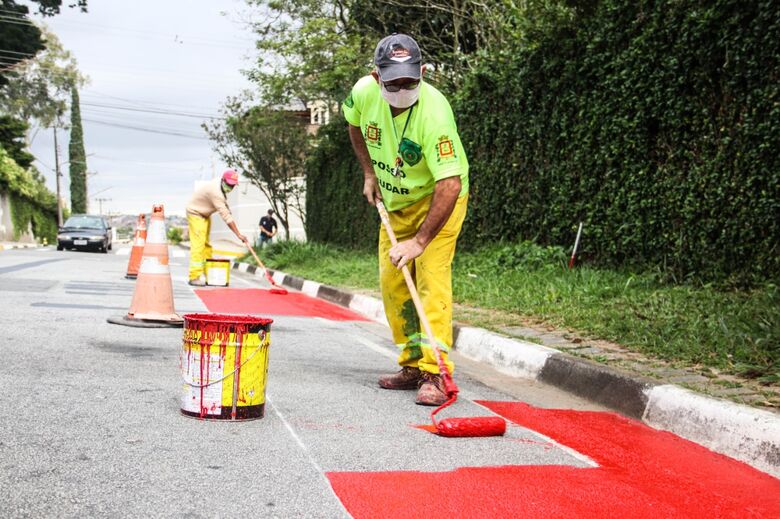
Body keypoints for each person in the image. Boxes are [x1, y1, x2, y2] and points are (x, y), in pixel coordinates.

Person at [343, 34, 469, 406]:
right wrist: (369, 174)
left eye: (409, 81)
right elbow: (354, 126)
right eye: (393, 81)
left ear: (423, 73)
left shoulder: (435, 114)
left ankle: (435, 372)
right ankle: (412, 365)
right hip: (396, 205)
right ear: (376, 76)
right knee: (393, 282)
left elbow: (449, 182)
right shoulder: (364, 93)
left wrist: (419, 241)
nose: (401, 88)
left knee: (430, 280)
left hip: (438, 203)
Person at [185, 169, 248, 286]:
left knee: (206, 245)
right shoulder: (216, 192)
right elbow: (226, 217)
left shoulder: (219, 185)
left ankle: (208, 273)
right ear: (223, 180)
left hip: (204, 214)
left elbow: (223, 204)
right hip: (195, 213)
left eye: (233, 186)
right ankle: (194, 276)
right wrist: (238, 234)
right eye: (229, 184)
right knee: (198, 245)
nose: (231, 187)